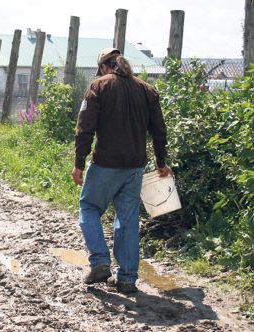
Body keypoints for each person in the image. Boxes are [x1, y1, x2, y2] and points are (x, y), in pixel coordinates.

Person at [72, 47, 172, 294]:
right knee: (127, 219)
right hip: (135, 167)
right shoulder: (146, 89)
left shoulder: (99, 86)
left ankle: (100, 261)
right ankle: (127, 278)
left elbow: (85, 129)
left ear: (105, 67)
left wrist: (79, 164)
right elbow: (159, 130)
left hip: (105, 163)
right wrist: (161, 162)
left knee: (89, 207)